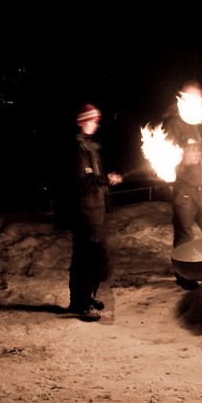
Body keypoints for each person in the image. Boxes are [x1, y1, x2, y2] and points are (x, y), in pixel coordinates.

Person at [162, 80, 202, 290]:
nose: (195, 101)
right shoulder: (174, 123)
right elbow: (164, 158)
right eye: (191, 97)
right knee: (185, 236)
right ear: (183, 98)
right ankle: (184, 275)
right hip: (185, 190)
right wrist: (183, 160)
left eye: (199, 97)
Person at [67, 103, 123, 317]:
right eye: (92, 121)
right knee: (86, 260)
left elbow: (93, 179)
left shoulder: (89, 147)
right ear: (82, 122)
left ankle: (84, 298)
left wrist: (106, 180)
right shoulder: (76, 150)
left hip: (94, 213)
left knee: (95, 260)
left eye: (97, 121)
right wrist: (104, 179)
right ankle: (82, 304)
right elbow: (80, 183)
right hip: (83, 213)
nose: (96, 125)